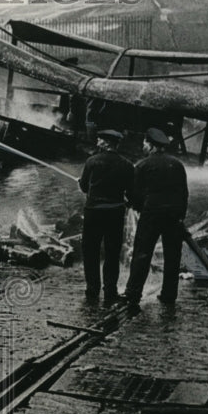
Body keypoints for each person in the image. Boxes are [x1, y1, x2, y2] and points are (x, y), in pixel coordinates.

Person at [122, 127, 188, 311]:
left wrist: (135, 205)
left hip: (151, 215)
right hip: (174, 216)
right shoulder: (177, 165)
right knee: (173, 256)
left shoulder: (143, 165)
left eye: (145, 143)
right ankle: (169, 294)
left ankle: (133, 293)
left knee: (142, 253)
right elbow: (184, 193)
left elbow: (133, 192)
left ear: (151, 146)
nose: (143, 146)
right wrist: (181, 215)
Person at [79, 129, 135, 303]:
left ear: (105, 143)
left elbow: (84, 187)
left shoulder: (92, 161)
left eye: (99, 140)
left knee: (91, 251)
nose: (97, 142)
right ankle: (110, 291)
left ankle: (92, 289)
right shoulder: (127, 164)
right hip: (115, 213)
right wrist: (126, 203)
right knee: (112, 252)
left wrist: (82, 183)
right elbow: (131, 192)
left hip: (93, 212)